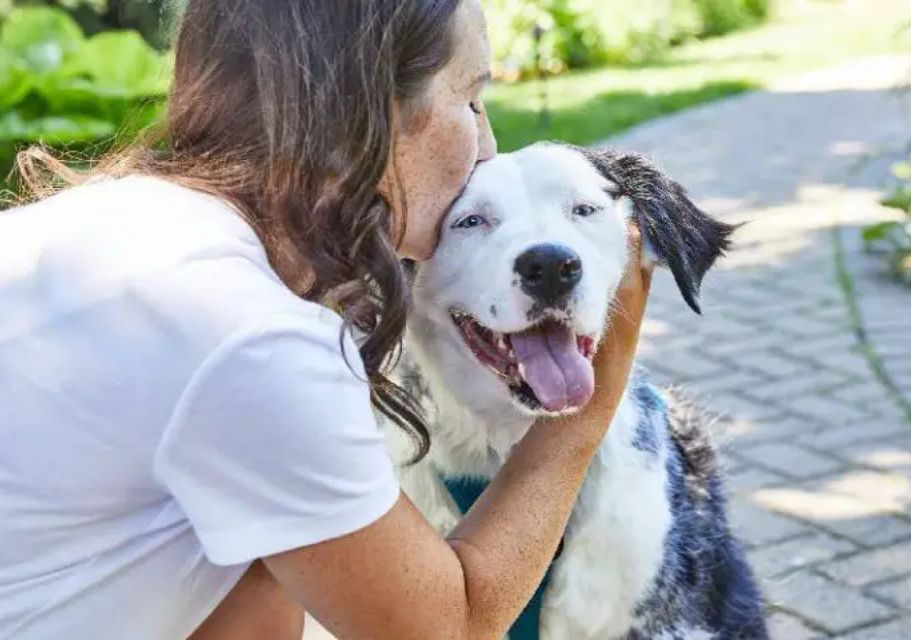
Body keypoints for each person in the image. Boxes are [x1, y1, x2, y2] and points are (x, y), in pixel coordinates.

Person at [0, 1, 652, 638]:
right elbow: (450, 628)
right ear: (372, 115)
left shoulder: (128, 222)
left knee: (261, 558)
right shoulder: (249, 334)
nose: (487, 148)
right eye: (471, 100)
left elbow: (258, 585)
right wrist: (588, 410)